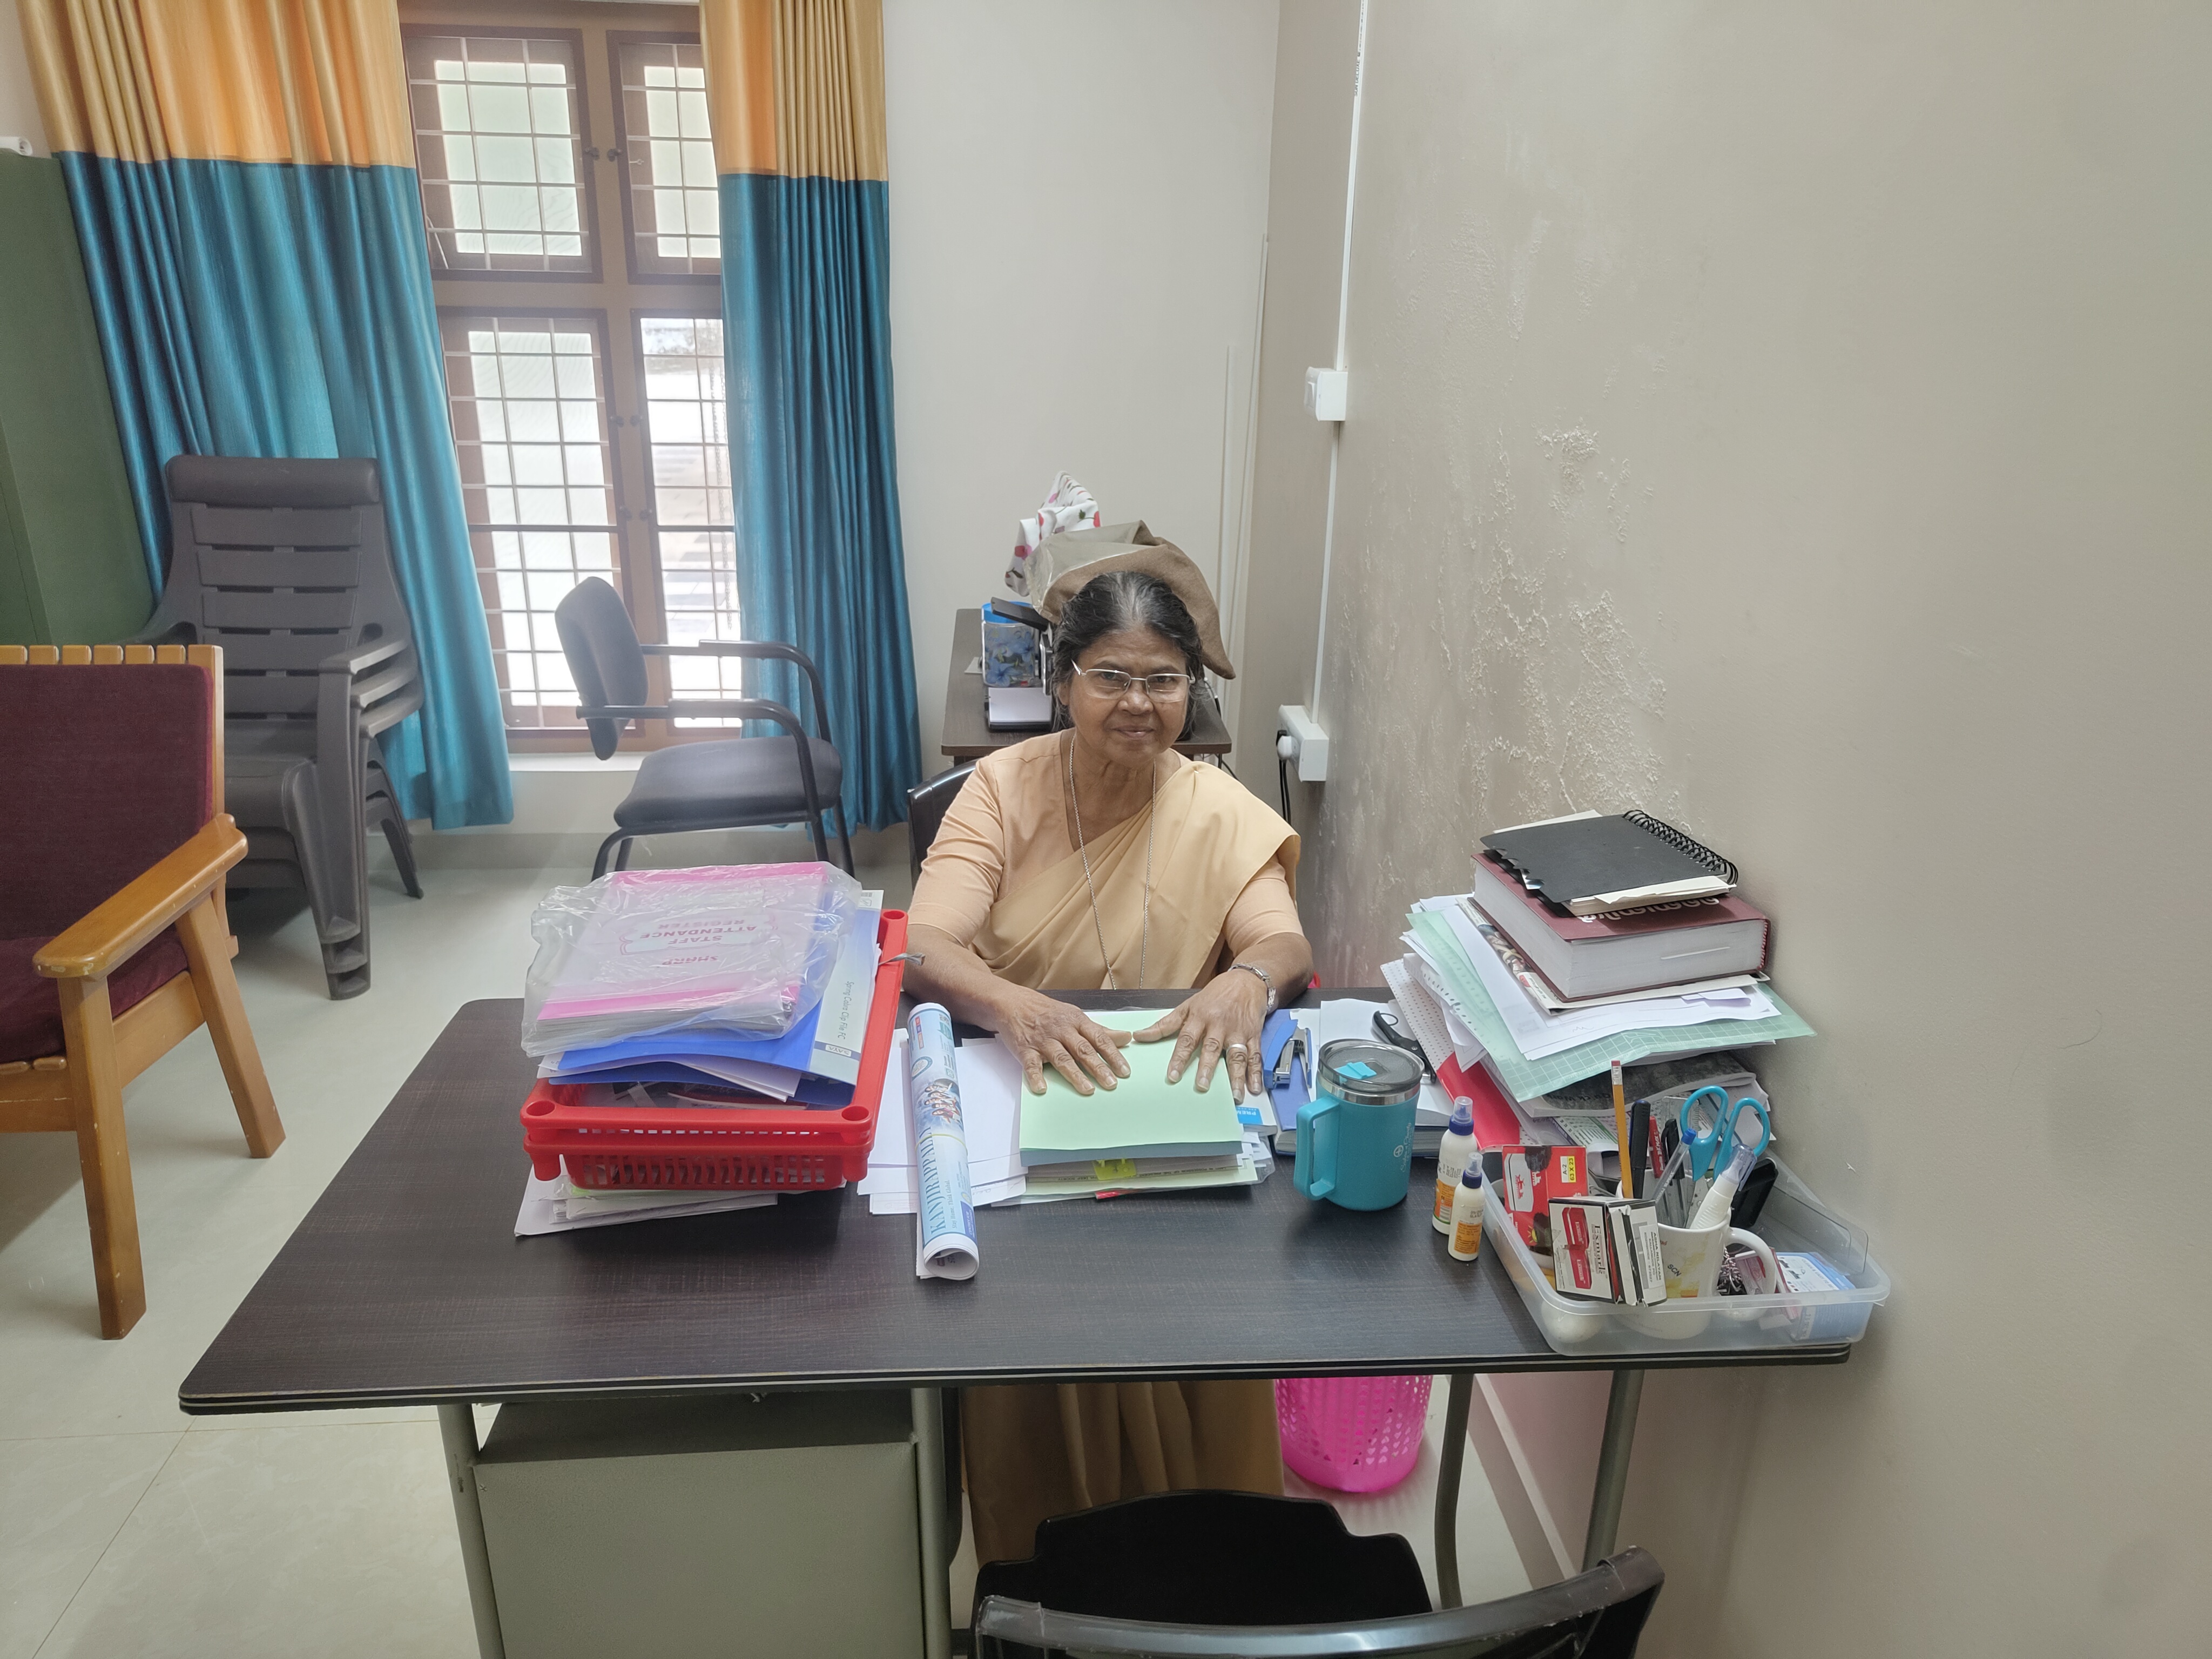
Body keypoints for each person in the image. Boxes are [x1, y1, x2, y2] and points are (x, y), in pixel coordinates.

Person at [905, 566, 1312, 1570]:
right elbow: (924, 948)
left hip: (1166, 1100)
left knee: (1208, 1325)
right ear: (1064, 681)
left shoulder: (1216, 806)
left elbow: (1283, 943)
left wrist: (1243, 983)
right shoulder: (1002, 790)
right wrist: (1010, 1004)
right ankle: (1045, 1575)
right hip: (1025, 1094)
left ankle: (1213, 1572)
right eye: (1111, 677)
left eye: (1164, 681)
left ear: (1191, 692)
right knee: (1037, 1345)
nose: (1138, 703)